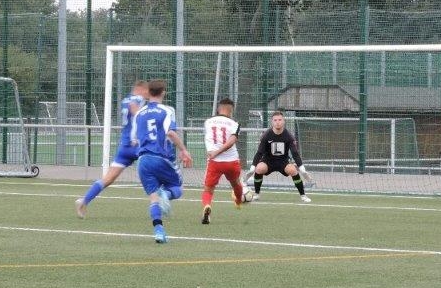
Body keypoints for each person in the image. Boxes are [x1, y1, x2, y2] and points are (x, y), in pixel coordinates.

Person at [75, 80, 149, 218]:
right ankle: (162, 199)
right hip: (136, 145)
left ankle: (84, 201)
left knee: (108, 179)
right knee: (155, 166)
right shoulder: (138, 99)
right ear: (139, 89)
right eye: (146, 91)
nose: (147, 94)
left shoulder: (125, 100)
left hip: (124, 146)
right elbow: (135, 110)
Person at [131, 78, 192, 243]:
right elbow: (170, 133)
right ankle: (166, 194)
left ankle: (159, 232)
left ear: (149, 93)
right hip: (161, 159)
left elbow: (134, 140)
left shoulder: (139, 114)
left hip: (143, 161)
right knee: (177, 188)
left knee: (153, 197)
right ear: (163, 92)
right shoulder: (166, 111)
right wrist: (184, 150)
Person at [249, 110, 312, 203]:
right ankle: (257, 194)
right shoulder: (266, 135)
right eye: (275, 120)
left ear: (283, 121)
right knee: (259, 168)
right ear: (272, 122)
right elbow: (259, 152)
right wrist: (253, 166)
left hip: (283, 161)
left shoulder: (289, 136)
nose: (277, 122)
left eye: (280, 120)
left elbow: (295, 153)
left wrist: (302, 168)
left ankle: (303, 195)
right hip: (268, 160)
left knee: (293, 170)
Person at [200, 97, 245, 225]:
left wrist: (215, 152)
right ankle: (238, 202)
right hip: (232, 161)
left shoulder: (208, 122)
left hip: (214, 162)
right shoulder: (234, 124)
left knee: (208, 189)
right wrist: (219, 151)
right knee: (236, 184)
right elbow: (231, 141)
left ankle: (207, 206)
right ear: (231, 110)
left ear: (218, 108)